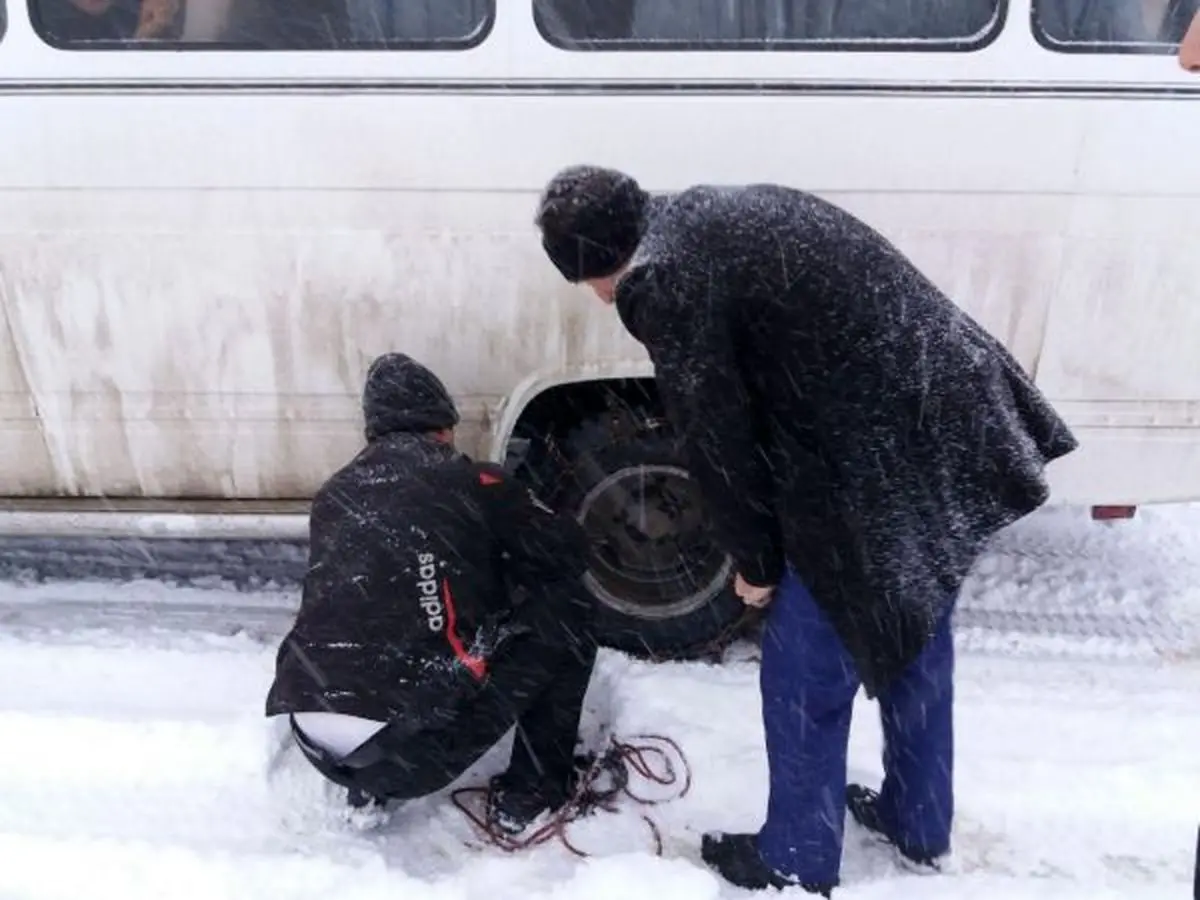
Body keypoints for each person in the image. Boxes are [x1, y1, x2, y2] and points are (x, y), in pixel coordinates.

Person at [535, 167, 1079, 896]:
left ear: (599, 266)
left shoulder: (662, 280)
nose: (599, 299)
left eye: (589, 284)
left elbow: (715, 435)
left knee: (804, 667)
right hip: (941, 409)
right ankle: (919, 818)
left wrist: (757, 559)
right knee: (910, 618)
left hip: (881, 448)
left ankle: (796, 857)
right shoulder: (696, 214)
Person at [266, 351, 599, 834]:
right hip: (407, 754)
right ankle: (532, 795)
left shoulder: (335, 493)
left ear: (374, 433)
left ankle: (366, 786)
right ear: (442, 426)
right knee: (570, 613)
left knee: (380, 640)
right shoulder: (473, 481)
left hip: (314, 739)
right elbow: (567, 556)